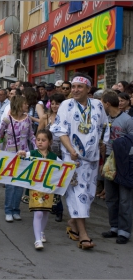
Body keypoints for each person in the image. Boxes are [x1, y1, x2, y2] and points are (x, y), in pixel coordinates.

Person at [50, 72, 109, 250]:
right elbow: (60, 130)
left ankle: (73, 222)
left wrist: (103, 148)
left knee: (89, 195)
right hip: (72, 159)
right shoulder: (66, 105)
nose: (75, 90)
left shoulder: (98, 105)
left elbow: (105, 127)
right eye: (73, 87)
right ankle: (84, 234)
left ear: (88, 89)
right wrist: (70, 150)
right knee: (78, 194)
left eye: (79, 87)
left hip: (92, 159)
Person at [0, 96, 37, 222]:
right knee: (10, 184)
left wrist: (38, 147)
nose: (27, 105)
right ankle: (8, 210)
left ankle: (16, 209)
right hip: (9, 155)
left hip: (24, 154)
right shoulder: (7, 119)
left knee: (20, 183)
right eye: (25, 103)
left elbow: (31, 135)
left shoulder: (27, 119)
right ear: (18, 104)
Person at [17, 129, 60, 249]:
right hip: (35, 188)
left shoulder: (53, 157)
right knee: (39, 212)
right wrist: (21, 153)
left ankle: (41, 232)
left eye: (43, 140)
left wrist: (73, 165)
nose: (40, 142)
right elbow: (24, 155)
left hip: (48, 189)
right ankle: (37, 240)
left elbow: (64, 166)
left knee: (46, 211)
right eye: (38, 140)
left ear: (50, 142)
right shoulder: (33, 153)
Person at [101, 90, 133, 244]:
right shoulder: (105, 119)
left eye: (102, 103)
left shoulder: (128, 120)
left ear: (107, 103)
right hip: (108, 160)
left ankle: (124, 231)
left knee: (125, 199)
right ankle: (114, 226)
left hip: (124, 161)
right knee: (111, 197)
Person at [38, 93, 66, 222]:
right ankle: (51, 206)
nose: (55, 106)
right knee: (48, 180)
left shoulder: (66, 116)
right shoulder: (46, 117)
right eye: (53, 103)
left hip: (62, 153)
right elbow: (38, 133)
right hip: (48, 153)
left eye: (58, 103)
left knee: (58, 181)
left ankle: (58, 208)